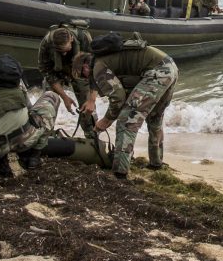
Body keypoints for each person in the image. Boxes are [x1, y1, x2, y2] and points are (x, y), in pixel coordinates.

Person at [75, 44, 178, 179]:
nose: (87, 79)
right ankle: (156, 163)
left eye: (83, 75)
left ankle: (119, 173)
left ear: (85, 67)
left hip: (158, 72)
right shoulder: (105, 59)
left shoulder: (98, 66)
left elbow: (118, 97)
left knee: (127, 119)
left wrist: (106, 120)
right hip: (170, 67)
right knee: (154, 117)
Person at [37, 24, 95, 137]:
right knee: (48, 99)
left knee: (87, 104)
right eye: (60, 51)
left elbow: (94, 70)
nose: (63, 54)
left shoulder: (84, 39)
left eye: (66, 50)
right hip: (56, 71)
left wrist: (91, 99)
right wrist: (64, 97)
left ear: (71, 40)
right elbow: (46, 71)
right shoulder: (46, 43)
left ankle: (92, 136)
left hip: (80, 70)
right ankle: (44, 135)